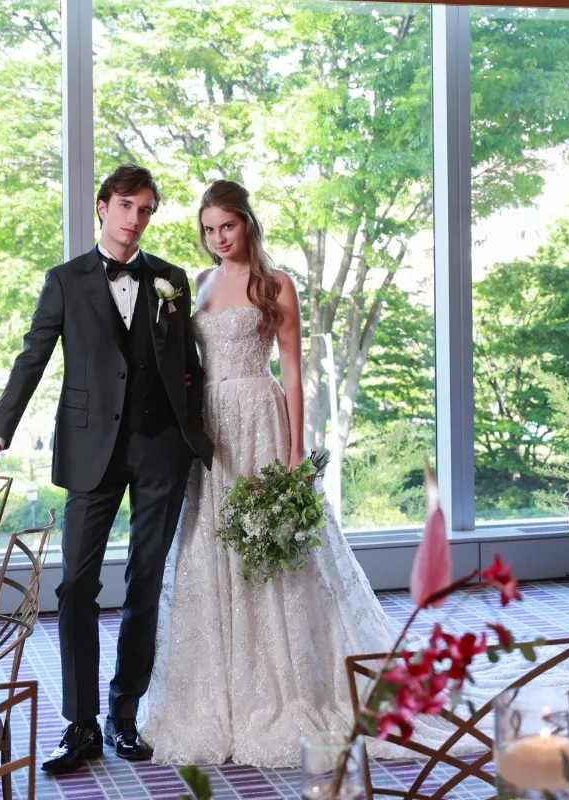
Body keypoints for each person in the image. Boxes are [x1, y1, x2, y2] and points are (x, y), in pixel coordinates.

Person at [0, 164, 213, 775]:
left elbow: (190, 368)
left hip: (161, 449)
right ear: (103, 207)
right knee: (76, 585)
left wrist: (203, 436)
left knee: (146, 581)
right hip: (90, 448)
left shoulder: (171, 280)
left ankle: (125, 716)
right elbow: (31, 361)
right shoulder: (65, 281)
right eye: (126, 206)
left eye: (146, 210)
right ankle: (80, 725)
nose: (135, 219)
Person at [140, 180, 404, 768]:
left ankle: (290, 685)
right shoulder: (197, 283)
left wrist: (294, 451)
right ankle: (221, 693)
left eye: (227, 226)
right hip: (212, 428)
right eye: (209, 229)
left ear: (247, 224)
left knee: (276, 550)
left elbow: (292, 370)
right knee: (212, 550)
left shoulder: (275, 283)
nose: (218, 238)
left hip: (260, 418)